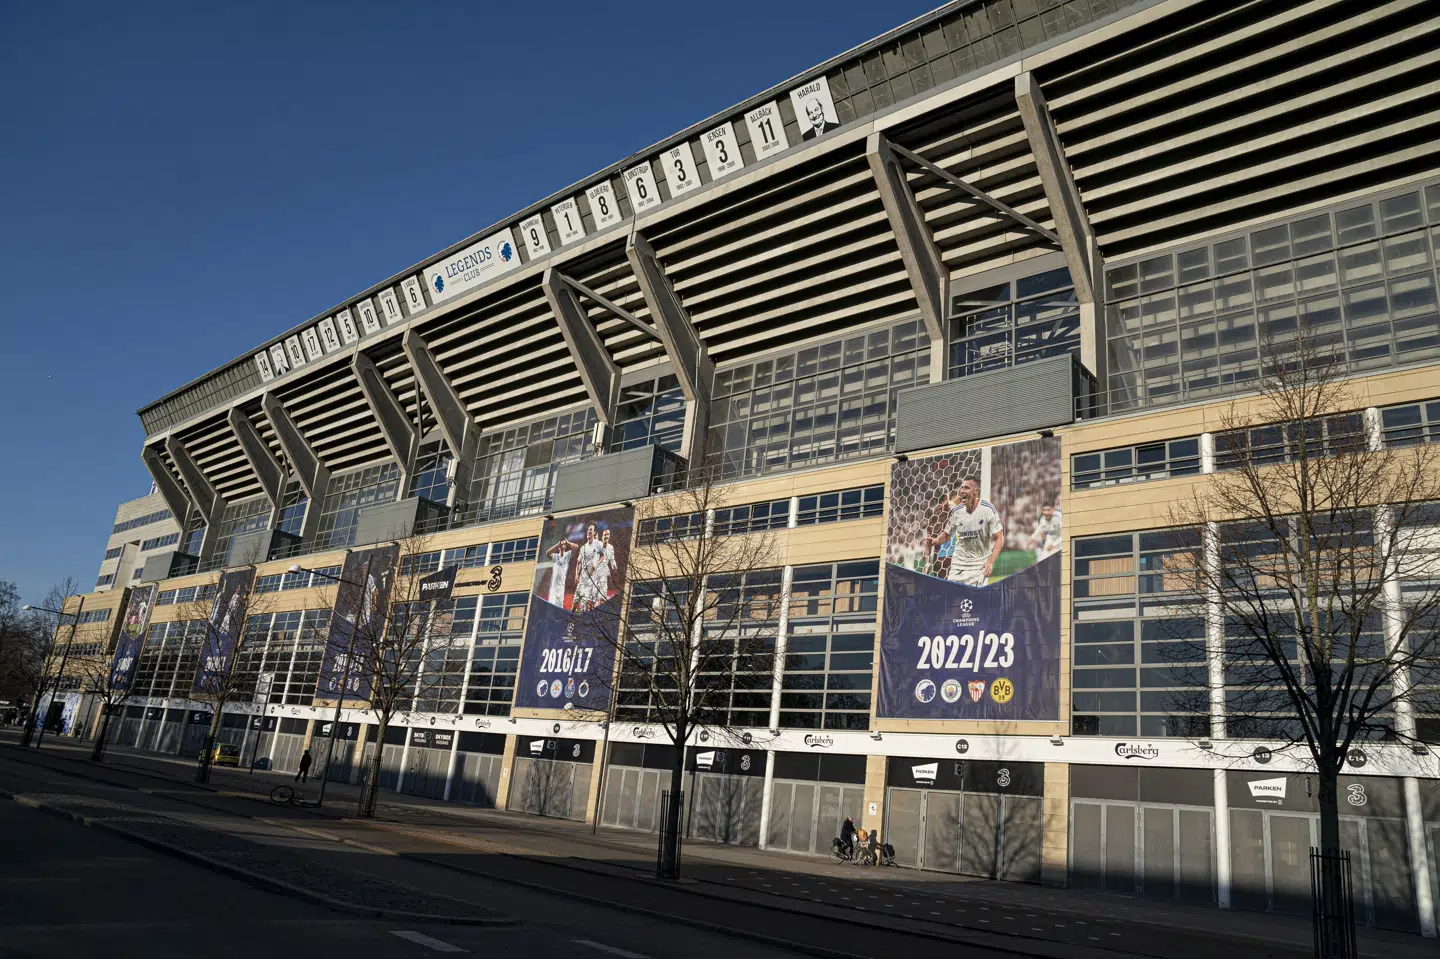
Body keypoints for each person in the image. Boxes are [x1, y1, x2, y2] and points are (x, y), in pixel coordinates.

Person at [924, 476, 1004, 587]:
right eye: (961, 488)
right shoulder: (956, 511)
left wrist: (990, 561)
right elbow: (946, 535)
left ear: (976, 491)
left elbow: (999, 537)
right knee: (951, 597)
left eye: (966, 488)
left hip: (978, 565)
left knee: (974, 599)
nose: (962, 491)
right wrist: (936, 540)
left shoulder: (988, 509)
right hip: (956, 564)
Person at [546, 538, 577, 608]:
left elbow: (576, 547)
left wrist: (568, 542)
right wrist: (557, 545)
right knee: (551, 607)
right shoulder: (555, 556)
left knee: (559, 609)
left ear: (565, 546)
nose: (562, 545)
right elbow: (547, 553)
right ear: (559, 547)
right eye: (561, 544)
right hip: (554, 588)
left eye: (564, 544)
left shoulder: (567, 555)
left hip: (561, 588)